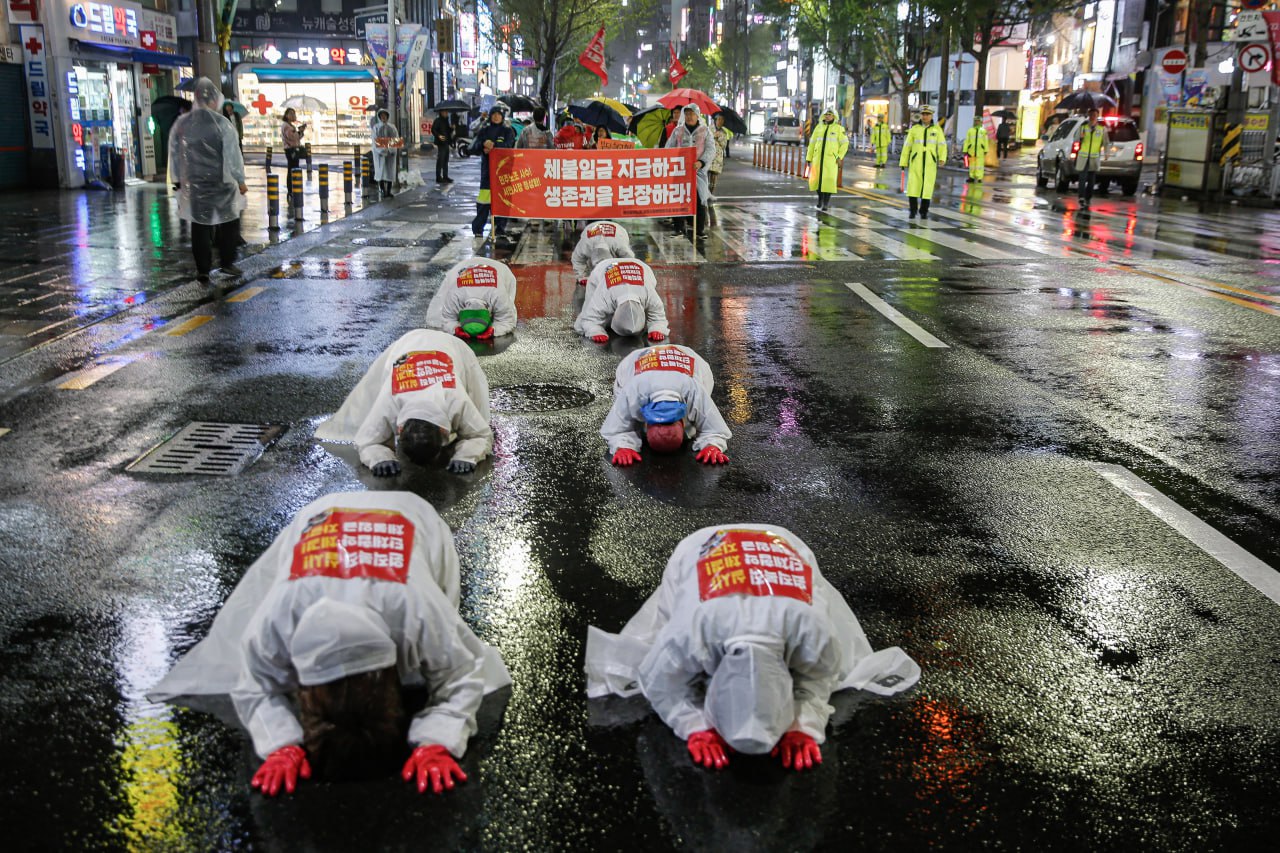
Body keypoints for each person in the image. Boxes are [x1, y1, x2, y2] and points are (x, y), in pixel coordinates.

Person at [148, 491, 511, 797]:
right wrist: (281, 743)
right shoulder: (279, 616)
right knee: (434, 651)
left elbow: (461, 669)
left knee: (440, 634)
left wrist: (439, 738)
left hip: (414, 515)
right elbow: (252, 681)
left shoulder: (416, 606)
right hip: (323, 516)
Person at [584, 524, 920, 770]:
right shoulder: (691, 631)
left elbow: (817, 678)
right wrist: (694, 726)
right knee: (681, 609)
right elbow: (658, 679)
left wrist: (803, 725)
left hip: (783, 545)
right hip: (702, 548)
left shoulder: (812, 630)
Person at [314, 329, 492, 476]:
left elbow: (482, 434)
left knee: (478, 407)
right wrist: (380, 458)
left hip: (453, 346)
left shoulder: (455, 398)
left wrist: (468, 456)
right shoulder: (390, 399)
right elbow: (366, 441)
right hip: (408, 344)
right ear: (399, 429)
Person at [168, 77, 247, 283]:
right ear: (214, 100)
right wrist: (240, 179)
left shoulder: (183, 123)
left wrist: (177, 178)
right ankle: (227, 262)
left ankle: (203, 268)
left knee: (200, 226)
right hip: (220, 183)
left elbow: (175, 153)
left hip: (195, 184)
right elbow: (233, 155)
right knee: (229, 222)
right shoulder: (222, 123)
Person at [602, 344, 730, 466]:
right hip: (635, 360)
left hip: (690, 358)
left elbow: (616, 427)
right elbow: (617, 425)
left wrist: (713, 445)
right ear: (682, 422)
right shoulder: (633, 389)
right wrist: (622, 445)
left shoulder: (693, 388)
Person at [574, 258, 669, 343]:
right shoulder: (605, 294)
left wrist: (657, 329)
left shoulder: (649, 293)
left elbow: (658, 318)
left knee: (600, 312)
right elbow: (589, 318)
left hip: (641, 267)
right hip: (604, 268)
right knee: (584, 319)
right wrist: (594, 330)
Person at [425, 258, 518, 339]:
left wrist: (493, 330)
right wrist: (455, 328)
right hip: (462, 268)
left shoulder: (498, 294)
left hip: (500, 270)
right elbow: (445, 319)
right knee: (436, 318)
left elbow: (508, 321)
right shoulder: (454, 294)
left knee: (507, 309)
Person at [664, 105, 710, 238]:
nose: (689, 117)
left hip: (697, 172)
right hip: (680, 172)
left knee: (699, 199)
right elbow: (668, 147)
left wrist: (701, 162)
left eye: (692, 114)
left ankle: (699, 230)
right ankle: (678, 227)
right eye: (687, 114)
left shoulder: (705, 131)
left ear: (698, 115)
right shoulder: (678, 131)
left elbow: (711, 149)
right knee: (679, 199)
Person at [471, 106, 517, 238]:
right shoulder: (484, 131)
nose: (496, 117)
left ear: (502, 117)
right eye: (494, 114)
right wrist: (483, 145)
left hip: (503, 173)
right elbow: (474, 147)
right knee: (483, 202)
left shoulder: (508, 131)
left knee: (502, 201)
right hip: (487, 174)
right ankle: (478, 228)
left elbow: (509, 146)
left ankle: (500, 227)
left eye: (498, 114)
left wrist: (494, 146)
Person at [900, 104, 947, 220]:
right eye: (923, 114)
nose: (925, 117)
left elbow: (942, 145)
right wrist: (903, 161)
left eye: (927, 114)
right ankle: (913, 210)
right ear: (920, 115)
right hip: (916, 162)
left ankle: (924, 211)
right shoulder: (914, 130)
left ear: (931, 116)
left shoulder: (937, 130)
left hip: (930, 163)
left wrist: (942, 158)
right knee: (913, 187)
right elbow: (907, 146)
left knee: (927, 187)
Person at [806, 107, 848, 211]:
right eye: (826, 114)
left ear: (834, 116)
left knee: (828, 182)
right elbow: (812, 144)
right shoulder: (818, 128)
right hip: (817, 160)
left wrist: (839, 156)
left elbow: (845, 144)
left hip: (830, 161)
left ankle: (826, 203)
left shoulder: (839, 129)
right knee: (817, 181)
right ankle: (820, 200)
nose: (827, 116)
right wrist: (809, 157)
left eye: (830, 115)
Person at [571, 220, 635, 285]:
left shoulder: (620, 246)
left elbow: (630, 261)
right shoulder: (585, 246)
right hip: (591, 228)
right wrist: (582, 277)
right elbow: (577, 260)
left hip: (619, 231)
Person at [1075, 109, 1108, 210]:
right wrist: (1080, 138)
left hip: (1094, 158)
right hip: (1083, 157)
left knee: (1091, 180)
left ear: (1097, 116)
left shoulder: (1101, 129)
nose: (1093, 116)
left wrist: (1106, 153)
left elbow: (1106, 142)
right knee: (1082, 179)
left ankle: (1088, 197)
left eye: (1095, 115)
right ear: (1089, 116)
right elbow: (1076, 140)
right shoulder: (1083, 128)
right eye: (1091, 115)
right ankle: (1081, 197)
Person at [371, 109, 399, 198]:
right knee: (381, 172)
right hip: (379, 155)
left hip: (390, 155)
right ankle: (383, 190)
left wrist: (391, 150)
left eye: (385, 115)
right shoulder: (376, 128)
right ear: (379, 117)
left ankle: (389, 191)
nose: (383, 117)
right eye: (381, 116)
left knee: (390, 172)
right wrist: (382, 150)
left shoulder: (392, 127)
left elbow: (395, 139)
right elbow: (375, 141)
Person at [962, 116, 991, 183]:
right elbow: (967, 141)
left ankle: (979, 177)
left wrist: (986, 149)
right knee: (972, 165)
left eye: (978, 121)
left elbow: (985, 141)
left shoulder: (983, 131)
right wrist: (965, 150)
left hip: (980, 151)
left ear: (980, 122)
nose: (977, 122)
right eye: (975, 121)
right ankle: (971, 177)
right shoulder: (970, 130)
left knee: (979, 165)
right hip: (971, 151)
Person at [708, 114, 729, 193]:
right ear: (715, 120)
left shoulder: (724, 132)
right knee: (706, 176)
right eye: (719, 119)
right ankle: (704, 194)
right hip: (708, 156)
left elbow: (724, 145)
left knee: (714, 178)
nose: (720, 121)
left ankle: (711, 194)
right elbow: (704, 140)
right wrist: (713, 135)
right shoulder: (709, 129)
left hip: (717, 158)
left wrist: (719, 137)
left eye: (722, 120)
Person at [431, 110, 454, 184]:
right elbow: (433, 129)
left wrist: (452, 128)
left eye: (447, 112)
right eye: (445, 112)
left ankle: (445, 176)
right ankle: (438, 177)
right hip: (441, 143)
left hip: (446, 142)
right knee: (440, 160)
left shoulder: (446, 121)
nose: (446, 113)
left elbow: (448, 131)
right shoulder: (438, 121)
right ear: (441, 112)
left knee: (446, 160)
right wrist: (438, 136)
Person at [281, 108, 305, 173]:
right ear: (286, 115)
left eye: (294, 113)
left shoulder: (290, 125)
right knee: (293, 168)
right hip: (290, 149)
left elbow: (297, 138)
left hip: (293, 149)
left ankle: (292, 182)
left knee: (294, 167)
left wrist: (301, 132)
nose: (293, 115)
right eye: (291, 113)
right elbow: (291, 137)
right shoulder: (286, 126)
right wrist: (299, 132)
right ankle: (291, 183)